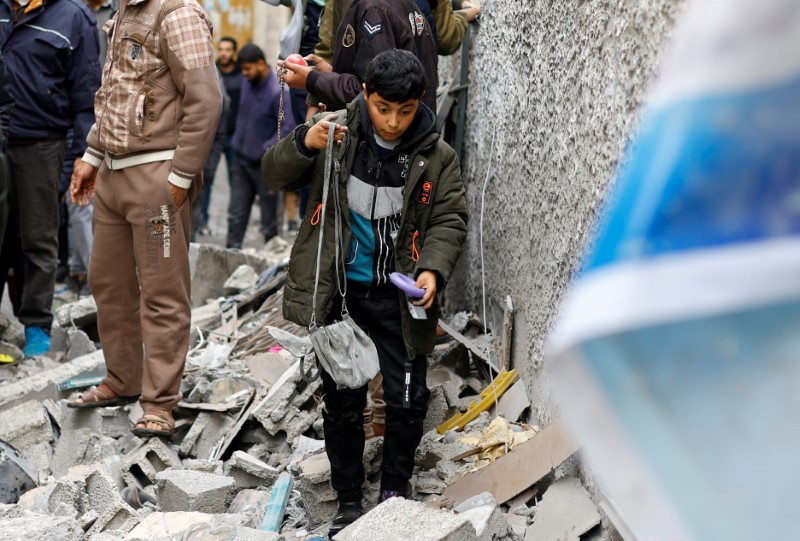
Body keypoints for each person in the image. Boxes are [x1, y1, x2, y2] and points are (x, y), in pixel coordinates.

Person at [263, 49, 468, 534]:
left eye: (405, 110)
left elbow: (448, 219)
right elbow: (274, 172)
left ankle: (394, 491)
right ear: (365, 97)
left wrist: (432, 272)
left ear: (420, 102)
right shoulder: (334, 134)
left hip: (399, 301)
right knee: (344, 402)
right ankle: (349, 501)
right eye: (382, 109)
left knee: (406, 398)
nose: (393, 121)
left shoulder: (437, 157)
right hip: (341, 298)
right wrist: (304, 143)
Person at [67, 0, 222, 438]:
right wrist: (92, 156)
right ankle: (123, 379)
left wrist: (181, 174)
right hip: (114, 175)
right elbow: (114, 93)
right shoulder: (125, 11)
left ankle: (159, 404)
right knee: (108, 283)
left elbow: (206, 100)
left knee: (162, 292)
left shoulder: (177, 15)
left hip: (156, 174)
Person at [0, 0, 101, 357]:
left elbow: (86, 92)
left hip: (41, 142)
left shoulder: (73, 16)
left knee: (38, 236)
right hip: (0, 138)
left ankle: (36, 325)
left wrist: (83, 156)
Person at [278, 0, 438, 113]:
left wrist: (311, 80)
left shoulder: (374, 10)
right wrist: (332, 71)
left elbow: (375, 92)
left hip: (395, 146)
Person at [226, 44, 295, 249]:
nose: (244, 74)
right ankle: (231, 256)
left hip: (264, 167)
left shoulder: (278, 92)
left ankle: (270, 262)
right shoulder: (248, 83)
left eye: (247, 69)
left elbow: (287, 127)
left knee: (269, 220)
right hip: (240, 160)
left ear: (260, 64)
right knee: (236, 215)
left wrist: (265, 149)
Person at [217, 37, 242, 188]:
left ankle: (235, 212)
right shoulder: (211, 72)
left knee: (235, 179)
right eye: (221, 50)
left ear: (233, 52)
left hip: (233, 135)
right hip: (214, 134)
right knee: (206, 179)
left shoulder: (242, 74)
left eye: (227, 50)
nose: (224, 54)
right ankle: (203, 213)